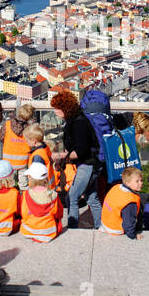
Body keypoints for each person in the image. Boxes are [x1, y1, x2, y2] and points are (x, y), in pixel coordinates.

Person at [50, 91, 99, 229]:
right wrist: (64, 157)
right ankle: (100, 226)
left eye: (57, 109)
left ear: (65, 108)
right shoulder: (76, 120)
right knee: (91, 197)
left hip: (87, 163)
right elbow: (75, 147)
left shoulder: (78, 124)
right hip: (90, 162)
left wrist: (59, 156)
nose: (55, 112)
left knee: (71, 197)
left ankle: (72, 228)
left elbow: (80, 151)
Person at [19, 162, 63, 243]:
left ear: (31, 178)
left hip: (28, 231)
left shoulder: (26, 194)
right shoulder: (53, 195)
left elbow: (23, 213)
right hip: (48, 232)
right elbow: (59, 214)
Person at [100, 166, 144, 240]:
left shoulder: (116, 187)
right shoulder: (130, 201)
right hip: (115, 229)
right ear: (128, 183)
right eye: (137, 181)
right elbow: (128, 223)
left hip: (105, 223)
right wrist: (133, 235)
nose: (141, 183)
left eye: (141, 180)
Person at [1, 104, 35, 190]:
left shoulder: (7, 124)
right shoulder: (30, 128)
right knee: (23, 185)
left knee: (8, 183)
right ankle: (23, 200)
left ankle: (11, 199)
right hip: (23, 161)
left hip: (8, 161)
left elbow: (1, 137)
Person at [48, 138, 77, 219]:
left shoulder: (67, 166)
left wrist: (61, 189)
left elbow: (71, 182)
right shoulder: (51, 167)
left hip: (64, 193)